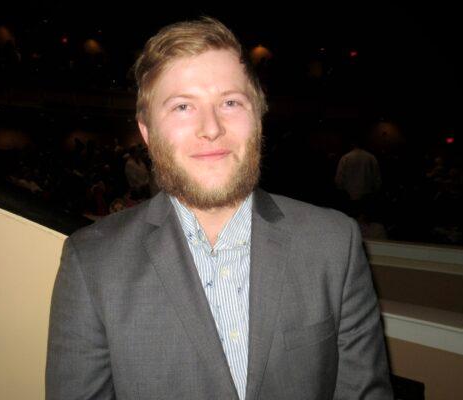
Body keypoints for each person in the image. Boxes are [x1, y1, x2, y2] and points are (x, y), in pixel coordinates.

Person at [46, 17, 393, 400]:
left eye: (230, 102)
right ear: (147, 132)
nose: (210, 127)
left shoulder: (334, 243)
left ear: (258, 117)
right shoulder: (91, 262)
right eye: (182, 106)